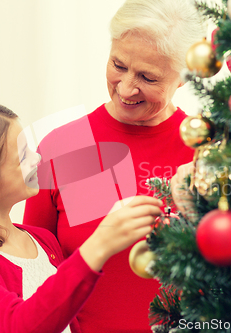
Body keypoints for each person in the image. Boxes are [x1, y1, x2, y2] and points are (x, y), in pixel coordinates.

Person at [23, 0, 206, 331]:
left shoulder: (207, 153)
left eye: (148, 77)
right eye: (118, 65)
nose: (126, 88)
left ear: (183, 77)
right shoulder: (63, 147)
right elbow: (34, 273)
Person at [0, 102, 162, 333]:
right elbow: (21, 325)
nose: (37, 158)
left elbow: (63, 307)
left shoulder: (43, 240)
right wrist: (99, 244)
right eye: (22, 157)